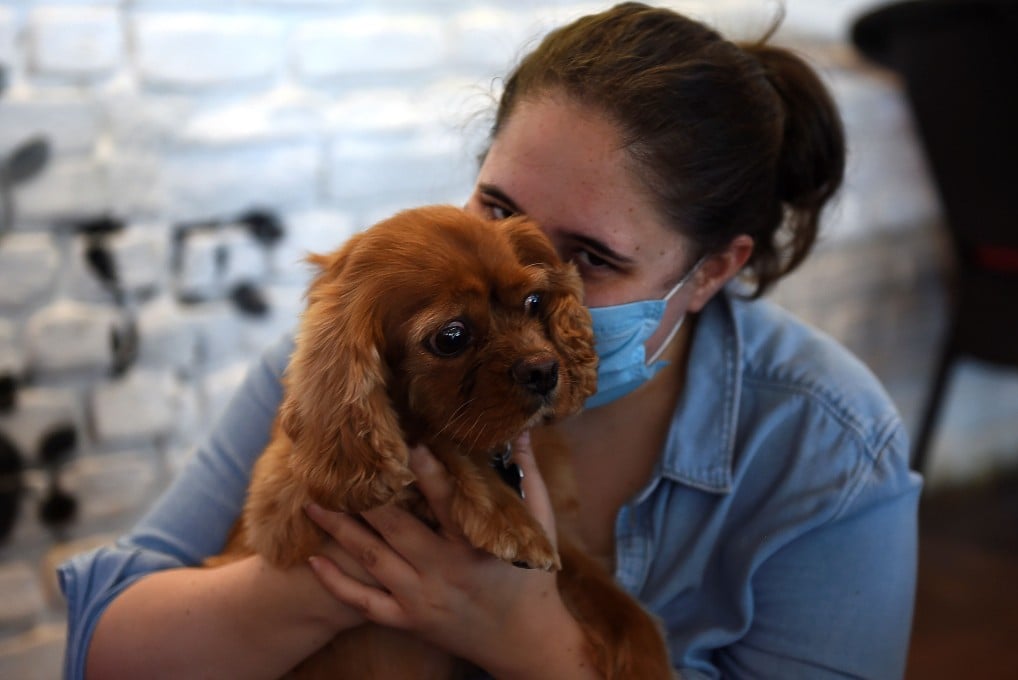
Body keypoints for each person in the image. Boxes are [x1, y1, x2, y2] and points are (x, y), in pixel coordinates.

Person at [59, 3, 921, 678]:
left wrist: (534, 642)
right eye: (500, 209)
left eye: (590, 258)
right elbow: (103, 650)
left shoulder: (827, 445)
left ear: (711, 271)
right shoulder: (364, 348)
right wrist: (331, 587)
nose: (532, 271)